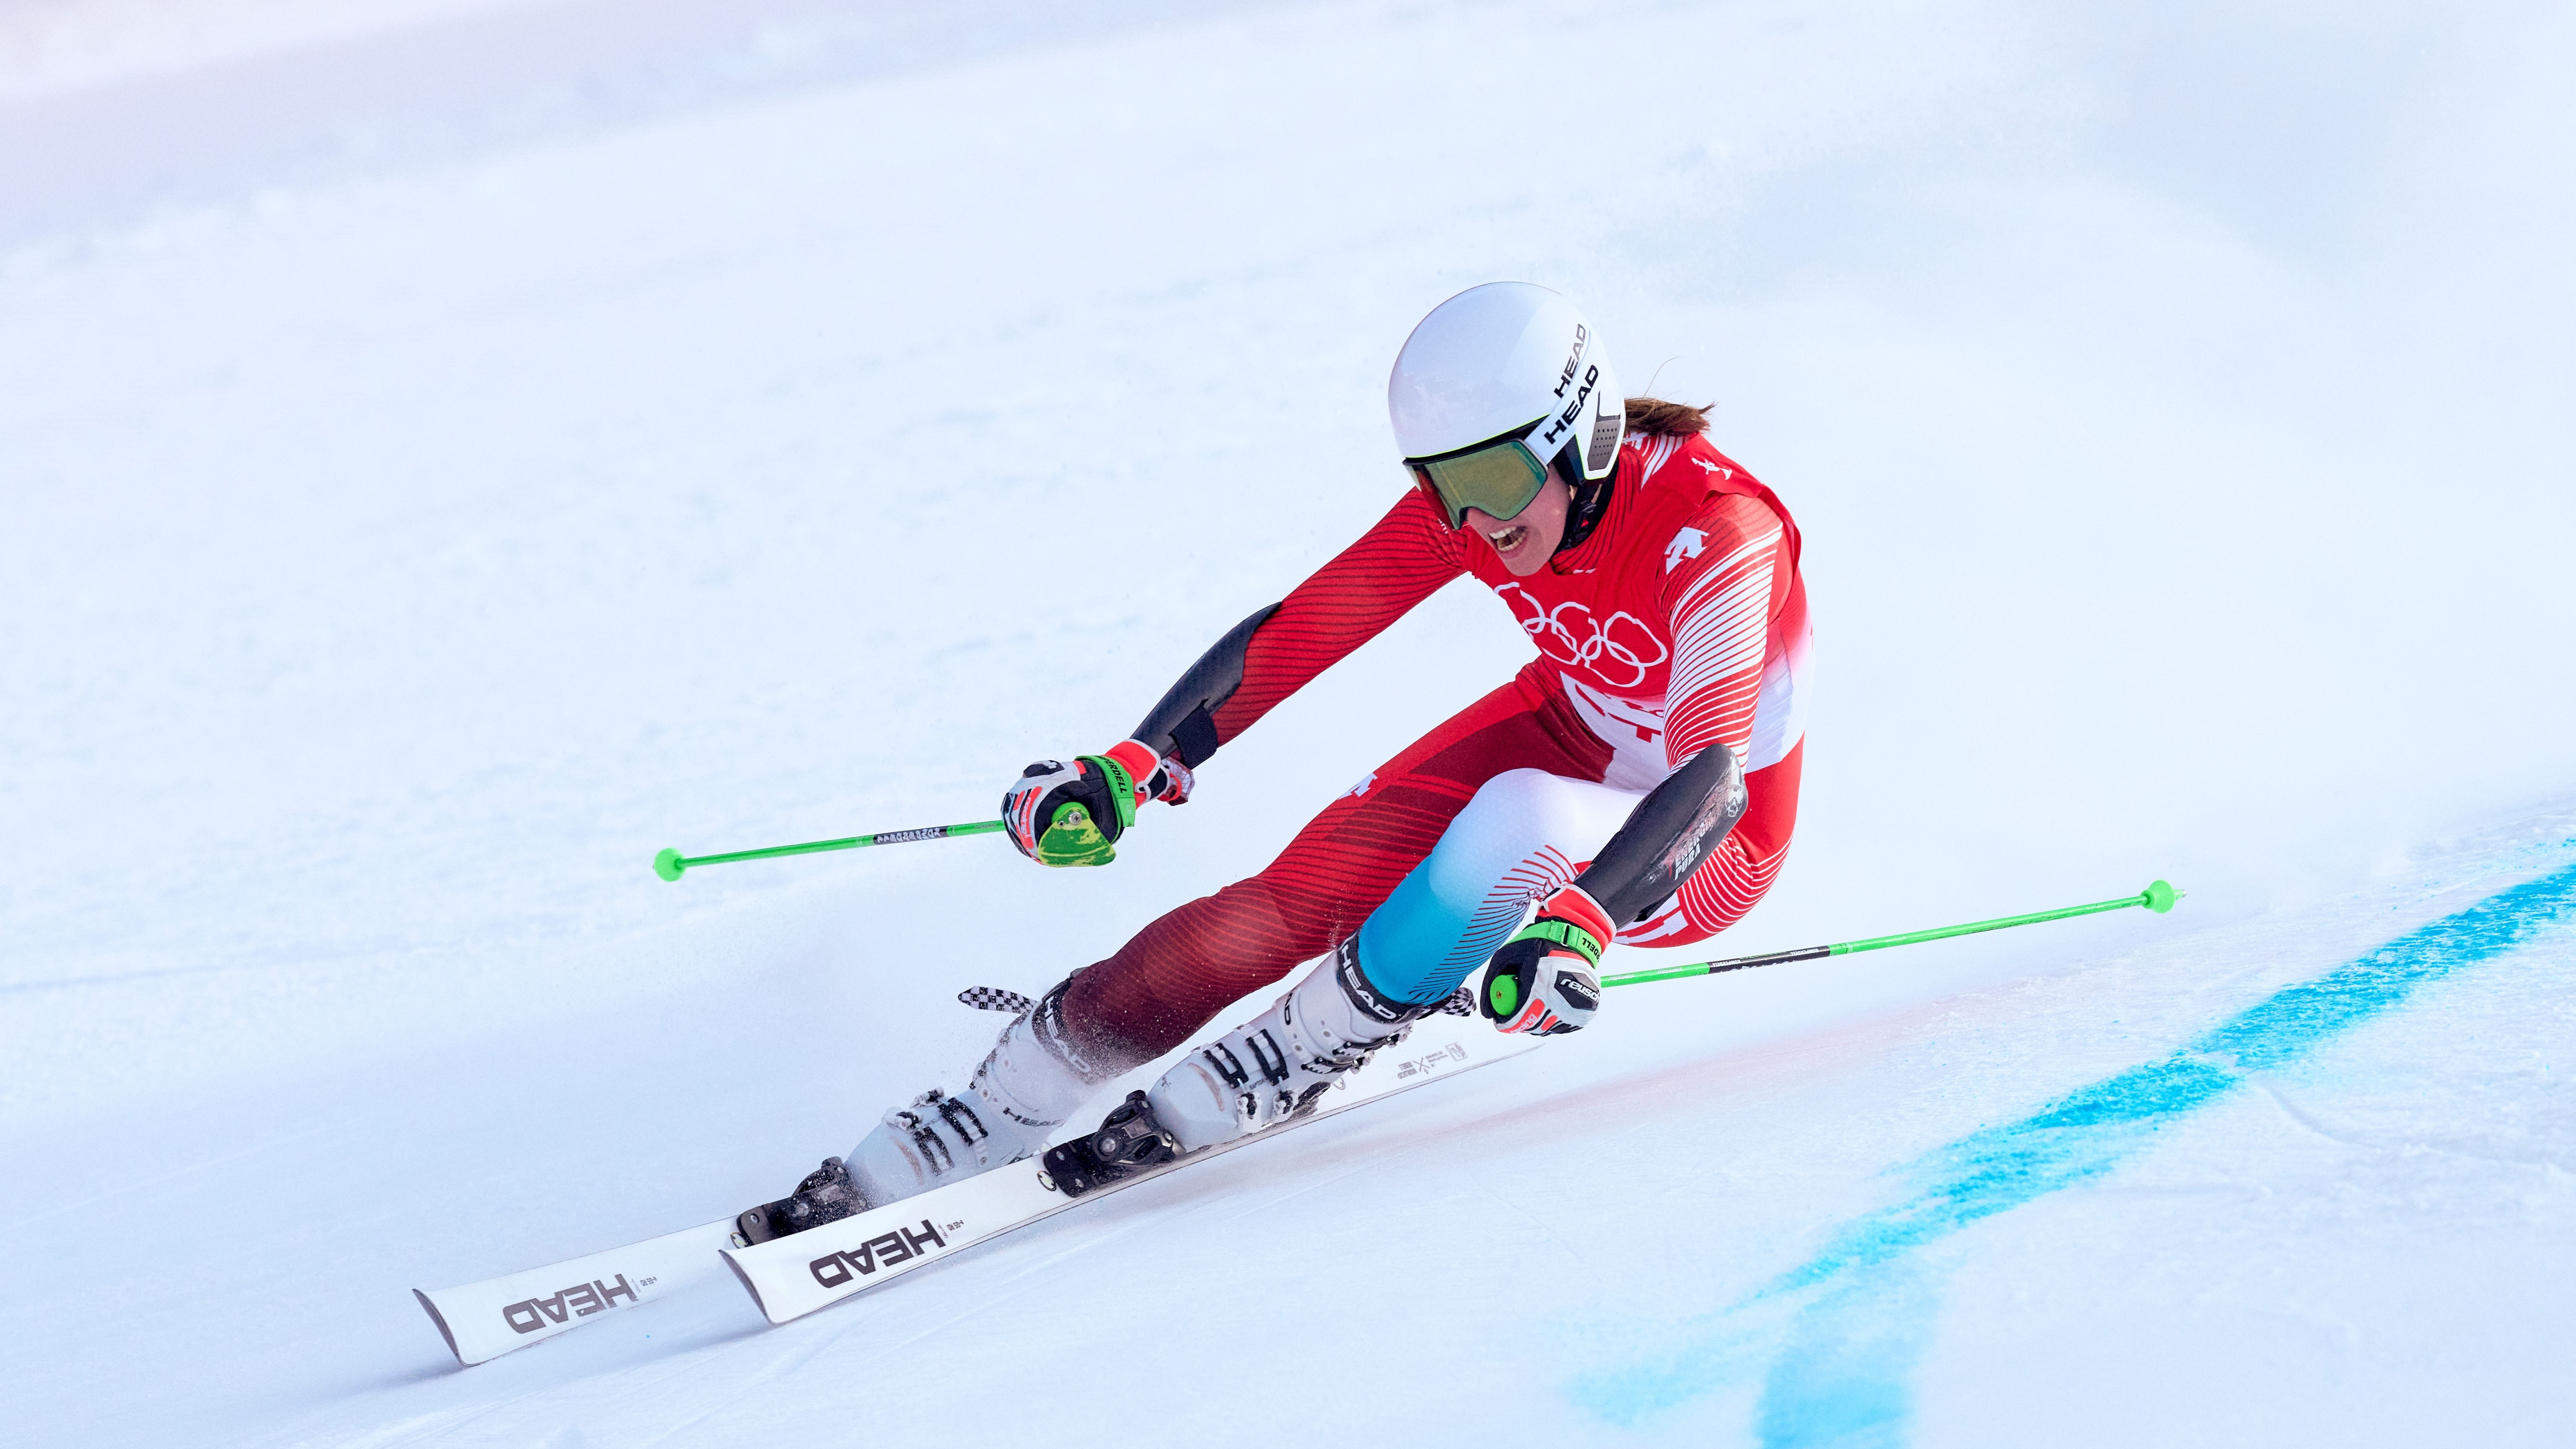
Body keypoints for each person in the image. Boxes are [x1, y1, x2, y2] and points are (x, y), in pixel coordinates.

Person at [737, 281, 1810, 1241]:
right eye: (1443, 485)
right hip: (1572, 727)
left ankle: (1299, 1046)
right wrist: (1134, 760)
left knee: (1517, 816)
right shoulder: (1485, 505)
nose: (1474, 519)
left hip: (1704, 841)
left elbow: (1712, 778)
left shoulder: (1719, 530)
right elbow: (1307, 627)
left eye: (1492, 477)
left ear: (1583, 436)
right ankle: (1002, 1099)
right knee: (1284, 902)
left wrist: (1583, 921)